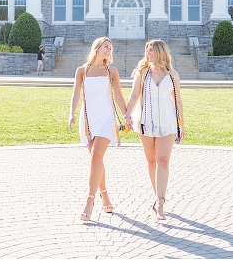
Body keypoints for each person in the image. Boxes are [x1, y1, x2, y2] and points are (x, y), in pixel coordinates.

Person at [124, 39, 185, 221]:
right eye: (147, 50)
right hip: (145, 121)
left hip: (168, 121)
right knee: (151, 161)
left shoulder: (173, 75)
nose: (148, 53)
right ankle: (157, 194)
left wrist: (181, 123)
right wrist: (127, 115)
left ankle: (160, 202)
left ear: (160, 52)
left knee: (163, 161)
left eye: (151, 50)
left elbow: (178, 101)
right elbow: (134, 95)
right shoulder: (142, 72)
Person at [68, 37, 128, 221]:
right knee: (97, 161)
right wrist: (71, 113)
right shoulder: (82, 71)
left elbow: (118, 94)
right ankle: (106, 198)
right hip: (88, 120)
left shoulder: (112, 71)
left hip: (106, 118)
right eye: (106, 47)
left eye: (111, 48)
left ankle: (89, 202)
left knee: (96, 157)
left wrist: (126, 115)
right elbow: (76, 93)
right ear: (97, 48)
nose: (109, 50)